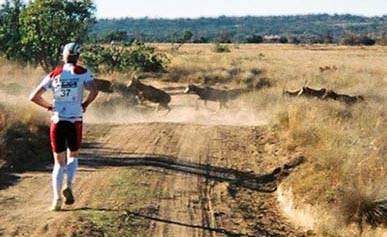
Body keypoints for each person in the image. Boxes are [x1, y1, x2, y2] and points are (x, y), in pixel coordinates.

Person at [29, 43, 98, 211]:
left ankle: (56, 200)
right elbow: (94, 90)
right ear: (78, 56)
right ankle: (69, 185)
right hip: (75, 121)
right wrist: (85, 104)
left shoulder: (54, 75)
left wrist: (49, 107)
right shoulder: (83, 72)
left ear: (63, 55)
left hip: (57, 121)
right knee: (73, 155)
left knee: (58, 163)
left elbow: (34, 96)